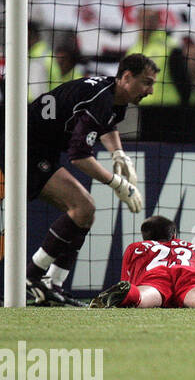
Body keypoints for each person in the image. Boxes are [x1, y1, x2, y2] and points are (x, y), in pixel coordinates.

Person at [21, 54, 155, 306]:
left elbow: (107, 125)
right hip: (25, 147)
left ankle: (53, 285)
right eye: (146, 83)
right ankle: (31, 277)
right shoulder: (102, 99)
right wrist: (118, 184)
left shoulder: (113, 95)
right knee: (84, 207)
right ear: (126, 77)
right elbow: (79, 156)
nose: (150, 91)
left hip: (42, 148)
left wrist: (118, 154)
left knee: (85, 212)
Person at [89, 215, 195, 309]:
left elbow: (126, 279)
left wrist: (129, 289)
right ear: (174, 235)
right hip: (189, 275)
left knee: (145, 295)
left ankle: (128, 294)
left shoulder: (137, 247)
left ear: (145, 237)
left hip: (156, 276)